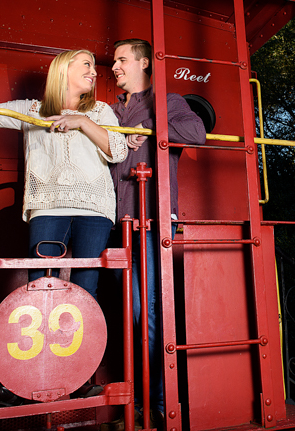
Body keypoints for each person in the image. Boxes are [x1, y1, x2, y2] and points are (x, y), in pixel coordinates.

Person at [0, 49, 128, 407]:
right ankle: (23, 384)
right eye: (85, 65)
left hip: (94, 209)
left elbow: (118, 150)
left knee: (86, 292)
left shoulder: (99, 112)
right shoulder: (31, 109)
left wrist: (81, 123)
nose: (94, 72)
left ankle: (78, 382)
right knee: (39, 290)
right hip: (47, 208)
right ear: (63, 69)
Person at [105, 38, 206, 429]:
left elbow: (197, 133)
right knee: (130, 313)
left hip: (152, 221)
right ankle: (143, 398)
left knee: (146, 311)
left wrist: (145, 128)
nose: (114, 66)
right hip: (117, 223)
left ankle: (157, 402)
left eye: (121, 60)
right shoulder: (111, 110)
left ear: (144, 62)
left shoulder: (166, 100)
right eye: (114, 61)